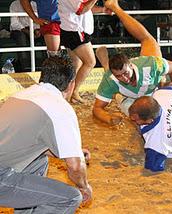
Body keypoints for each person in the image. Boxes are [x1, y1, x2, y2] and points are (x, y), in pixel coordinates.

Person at [0, 55, 92, 213]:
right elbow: (75, 167)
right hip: (2, 177)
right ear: (71, 84)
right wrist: (85, 186)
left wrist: (73, 152)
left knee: (40, 160)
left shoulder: (22, 95)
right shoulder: (60, 107)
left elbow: (30, 144)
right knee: (70, 197)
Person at [93, 0, 172, 125]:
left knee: (148, 40)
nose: (124, 78)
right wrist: (109, 118)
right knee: (134, 114)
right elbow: (97, 108)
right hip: (128, 97)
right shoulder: (110, 80)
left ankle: (116, 7)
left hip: (149, 79)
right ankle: (107, 69)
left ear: (130, 65)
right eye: (119, 76)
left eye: (125, 73)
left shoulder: (151, 64)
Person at [58, 0, 106, 103]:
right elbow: (81, 10)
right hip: (74, 31)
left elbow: (87, 8)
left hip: (72, 30)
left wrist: (103, 9)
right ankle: (74, 91)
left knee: (76, 63)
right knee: (90, 62)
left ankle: (68, 93)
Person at [10, 0, 41, 72]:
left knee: (45, 35)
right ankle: (25, 67)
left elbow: (38, 21)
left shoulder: (36, 4)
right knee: (21, 37)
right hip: (19, 30)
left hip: (33, 29)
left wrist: (37, 30)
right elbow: (14, 24)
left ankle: (44, 66)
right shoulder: (14, 4)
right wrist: (28, 32)